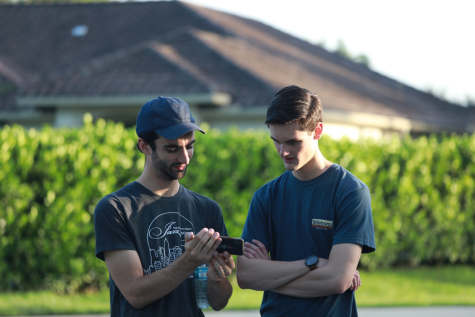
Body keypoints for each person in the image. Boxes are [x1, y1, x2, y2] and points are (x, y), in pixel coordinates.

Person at [237, 85, 376, 316]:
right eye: (276, 141)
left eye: (292, 142)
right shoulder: (265, 197)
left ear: (317, 130)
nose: (283, 151)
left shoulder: (351, 192)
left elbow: (337, 280)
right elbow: (246, 275)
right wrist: (312, 263)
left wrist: (270, 275)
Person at [93, 97, 234, 316]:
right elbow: (135, 294)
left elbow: (215, 303)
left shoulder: (207, 209)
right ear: (144, 146)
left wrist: (217, 279)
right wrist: (189, 261)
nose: (184, 157)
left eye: (190, 146)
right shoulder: (116, 208)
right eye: (172, 149)